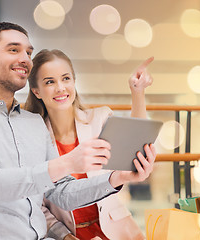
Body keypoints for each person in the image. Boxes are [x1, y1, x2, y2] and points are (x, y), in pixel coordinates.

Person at [0, 22, 156, 240]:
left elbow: (60, 192)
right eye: (14, 49)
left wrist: (119, 177)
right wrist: (68, 163)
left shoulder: (33, 123)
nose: (25, 58)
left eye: (28, 52)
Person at [24, 49, 154, 240]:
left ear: (74, 82)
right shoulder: (31, 139)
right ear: (36, 91)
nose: (60, 87)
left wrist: (138, 92)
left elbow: (135, 150)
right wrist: (65, 237)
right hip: (70, 235)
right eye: (50, 82)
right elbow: (37, 205)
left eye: (66, 78)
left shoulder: (99, 119)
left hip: (116, 231)